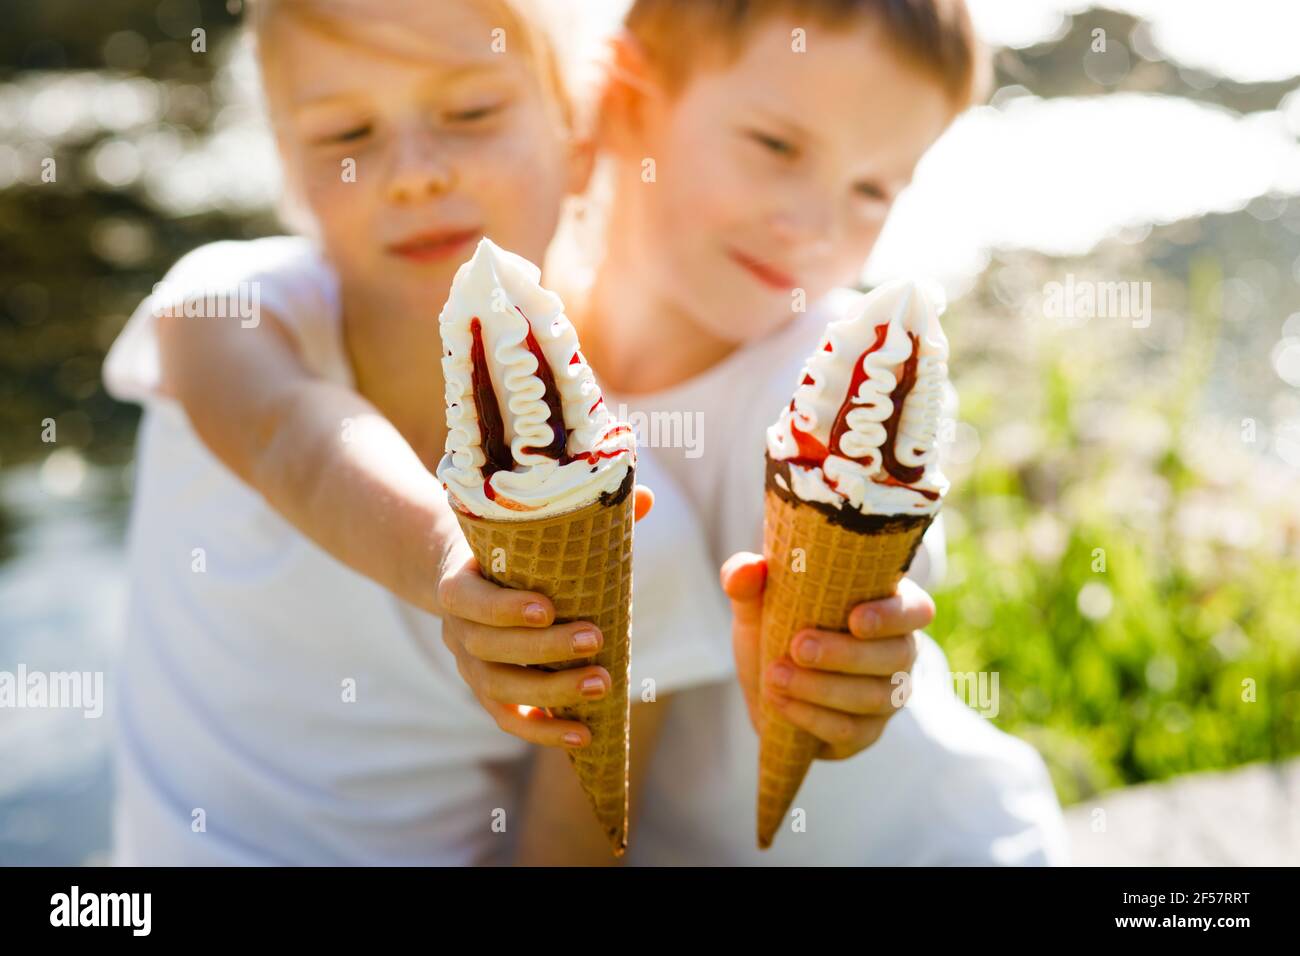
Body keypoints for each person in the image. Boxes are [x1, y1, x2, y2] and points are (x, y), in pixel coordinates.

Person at [101, 0, 734, 865]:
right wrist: (447, 561)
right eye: (345, 134)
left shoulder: (634, 536)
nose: (413, 174)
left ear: (577, 143)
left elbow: (570, 840)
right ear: (289, 172)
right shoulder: (223, 310)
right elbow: (294, 442)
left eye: (470, 112)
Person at [522, 0, 1071, 864]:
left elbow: (889, 561)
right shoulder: (528, 358)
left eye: (871, 190)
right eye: (776, 146)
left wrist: (862, 652)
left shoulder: (837, 383)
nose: (814, 227)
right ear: (626, 98)